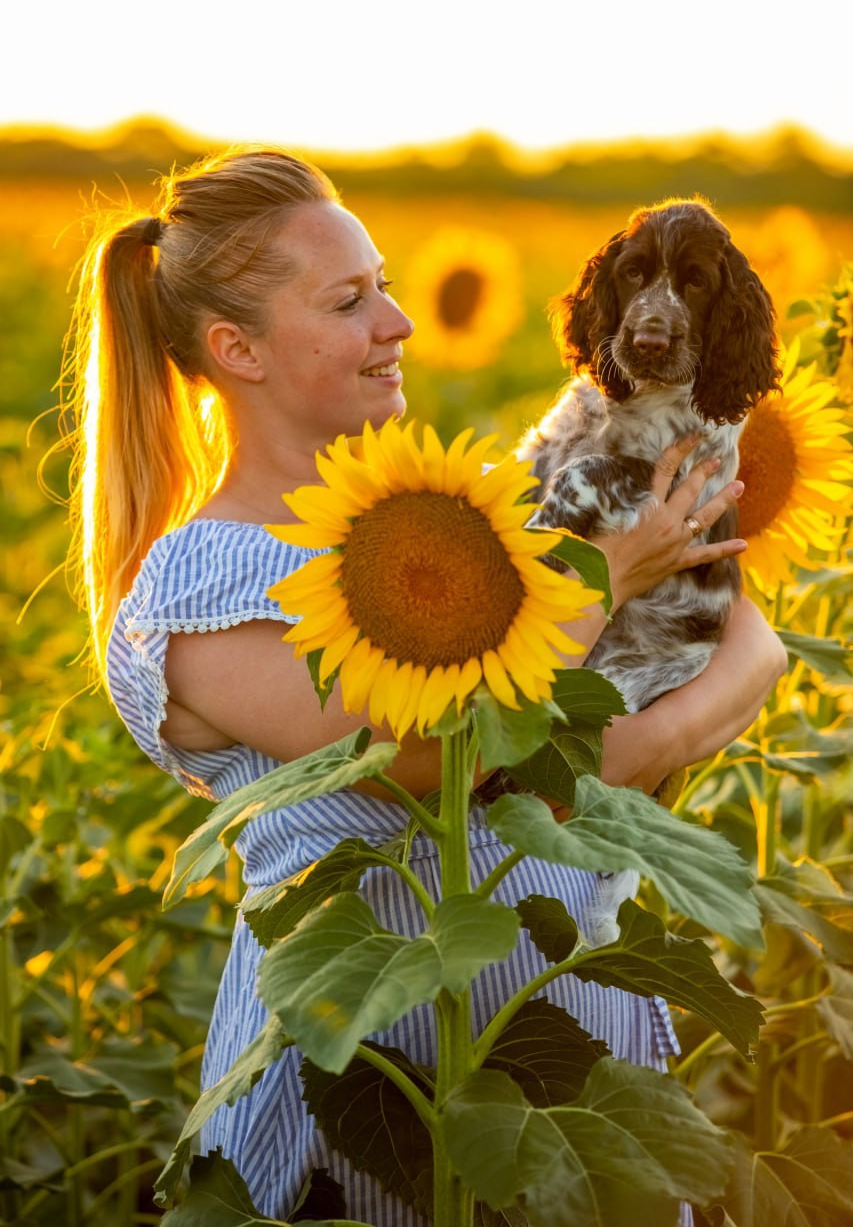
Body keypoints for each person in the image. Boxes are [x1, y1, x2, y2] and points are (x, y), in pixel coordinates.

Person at [65, 145, 786, 1225]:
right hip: (361, 1121)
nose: (397, 322)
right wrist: (614, 581)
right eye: (351, 300)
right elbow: (434, 752)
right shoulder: (199, 584)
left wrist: (584, 727)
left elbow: (754, 649)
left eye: (388, 285)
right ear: (236, 348)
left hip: (576, 1098)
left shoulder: (460, 518)